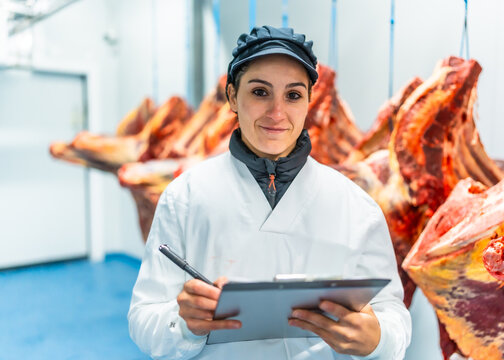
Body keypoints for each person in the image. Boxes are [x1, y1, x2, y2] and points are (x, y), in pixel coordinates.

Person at [128, 25, 411, 359]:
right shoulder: (185, 197)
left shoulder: (355, 205)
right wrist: (186, 324)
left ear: (309, 101)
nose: (277, 113)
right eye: (260, 92)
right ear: (232, 97)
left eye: (293, 95)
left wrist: (378, 339)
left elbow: (393, 313)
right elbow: (143, 317)